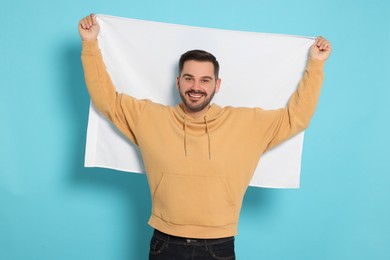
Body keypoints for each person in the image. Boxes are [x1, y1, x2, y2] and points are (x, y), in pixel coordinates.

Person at [78, 13, 332, 260]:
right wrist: (90, 44)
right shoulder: (149, 117)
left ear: (217, 85)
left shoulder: (247, 123)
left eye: (205, 80)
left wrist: (316, 64)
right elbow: (107, 100)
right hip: (165, 243)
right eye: (189, 78)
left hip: (219, 246)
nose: (196, 87)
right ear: (178, 81)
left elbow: (295, 118)